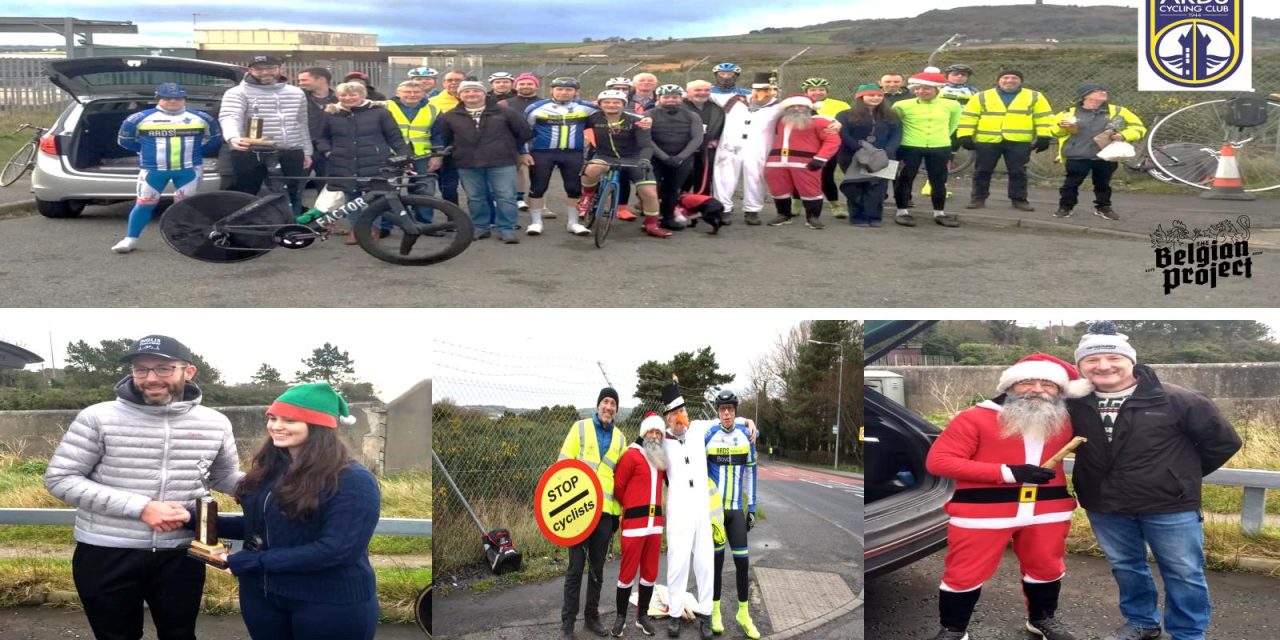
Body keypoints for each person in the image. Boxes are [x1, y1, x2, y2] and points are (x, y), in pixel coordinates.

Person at [44, 335, 242, 640]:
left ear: (188, 371)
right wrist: (141, 508)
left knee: (180, 634)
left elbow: (224, 476)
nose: (150, 378)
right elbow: (61, 479)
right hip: (106, 551)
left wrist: (280, 487)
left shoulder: (216, 422)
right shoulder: (97, 417)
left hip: (181, 552)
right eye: (141, 369)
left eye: (163, 369)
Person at [1066, 322, 1241, 640]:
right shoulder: (1074, 403)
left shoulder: (1178, 399)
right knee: (1126, 567)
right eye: (1091, 360)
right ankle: (1141, 622)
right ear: (1080, 366)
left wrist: (1177, 477)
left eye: (1112, 357)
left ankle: (1188, 632)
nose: (1103, 365)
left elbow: (1224, 443)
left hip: (1169, 503)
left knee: (1184, 572)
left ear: (1130, 360)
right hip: (1104, 503)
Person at [925, 354, 1090, 640]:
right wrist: (1009, 472)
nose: (1037, 389)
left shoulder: (1067, 421)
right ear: (1010, 386)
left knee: (1047, 568)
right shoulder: (973, 417)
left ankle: (1041, 619)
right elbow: (939, 461)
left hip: (1047, 511)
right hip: (983, 512)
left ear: (1060, 391)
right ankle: (953, 629)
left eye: (1048, 384)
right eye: (1027, 381)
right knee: (964, 573)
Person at [206, 383, 381, 640]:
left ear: (319, 425)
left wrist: (253, 562)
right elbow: (264, 525)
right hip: (262, 598)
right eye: (273, 418)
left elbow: (337, 549)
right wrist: (200, 521)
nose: (276, 426)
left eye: (289, 420)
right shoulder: (269, 471)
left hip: (328, 603)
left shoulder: (353, 479)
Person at [111, 83, 220, 253]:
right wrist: (146, 152)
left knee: (187, 206)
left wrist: (195, 152)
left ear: (184, 98)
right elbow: (125, 141)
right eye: (167, 98)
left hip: (189, 170)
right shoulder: (138, 118)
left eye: (178, 98)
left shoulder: (202, 117)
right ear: (158, 99)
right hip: (153, 170)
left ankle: (187, 238)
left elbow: (213, 140)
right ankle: (130, 239)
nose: (173, 101)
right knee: (144, 204)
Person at [558, 387, 628, 639]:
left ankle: (591, 617)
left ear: (617, 409)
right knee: (575, 568)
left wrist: (617, 515)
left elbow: (621, 481)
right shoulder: (579, 429)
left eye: (613, 404)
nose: (609, 407)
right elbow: (562, 466)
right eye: (605, 401)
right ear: (598, 404)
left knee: (597, 570)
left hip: (605, 515)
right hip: (577, 513)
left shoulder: (621, 439)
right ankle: (567, 624)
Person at [310, 81, 410, 245]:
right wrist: (328, 151)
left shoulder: (380, 113)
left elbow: (394, 136)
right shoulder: (330, 114)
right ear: (337, 96)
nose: (348, 98)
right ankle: (356, 230)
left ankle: (374, 229)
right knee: (351, 198)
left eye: (352, 94)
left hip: (376, 161)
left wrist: (404, 156)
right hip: (343, 162)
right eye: (343, 95)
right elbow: (321, 137)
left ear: (362, 95)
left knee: (376, 198)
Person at [437, 80, 533, 243]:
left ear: (484, 93)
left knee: (505, 196)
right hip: (467, 163)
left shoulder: (505, 112)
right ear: (460, 95)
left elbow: (523, 132)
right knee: (475, 197)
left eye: (476, 91)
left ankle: (507, 229)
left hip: (502, 162)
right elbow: (446, 139)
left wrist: (513, 149)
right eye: (466, 92)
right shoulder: (450, 116)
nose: (471, 94)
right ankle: (481, 227)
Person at [219, 54, 313, 214]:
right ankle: (244, 231)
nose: (264, 73)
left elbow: (301, 123)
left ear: (279, 69)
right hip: (250, 151)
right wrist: (232, 137)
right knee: (246, 194)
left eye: (270, 68)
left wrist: (307, 151)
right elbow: (230, 116)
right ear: (250, 70)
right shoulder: (236, 92)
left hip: (291, 151)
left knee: (291, 193)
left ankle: (284, 229)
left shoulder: (296, 92)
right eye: (259, 69)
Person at [955, 69, 1054, 211]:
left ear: (1021, 81)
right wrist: (964, 135)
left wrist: (1044, 136)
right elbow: (969, 116)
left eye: (1014, 78)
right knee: (982, 171)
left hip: (1018, 140)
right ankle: (978, 199)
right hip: (988, 140)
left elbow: (1044, 117)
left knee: (1018, 172)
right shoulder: (981, 96)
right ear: (998, 80)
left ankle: (1019, 200)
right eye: (1005, 78)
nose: (1010, 81)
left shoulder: (1034, 96)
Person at [704, 390, 760, 639]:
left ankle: (743, 614)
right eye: (722, 408)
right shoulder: (709, 435)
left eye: (731, 409)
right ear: (718, 412)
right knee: (715, 563)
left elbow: (752, 474)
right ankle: (715, 612)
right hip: (715, 512)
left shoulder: (746, 437)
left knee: (742, 562)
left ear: (735, 412)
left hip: (736, 510)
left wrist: (752, 509)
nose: (727, 412)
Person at [1049, 85, 1146, 221]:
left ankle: (1103, 208)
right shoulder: (1068, 112)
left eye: (1105, 91)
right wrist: (1062, 127)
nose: (1103, 93)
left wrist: (1123, 135)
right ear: (1085, 96)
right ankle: (1065, 207)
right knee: (1071, 183)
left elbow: (1139, 128)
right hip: (1077, 154)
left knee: (1103, 184)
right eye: (1098, 91)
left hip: (1107, 155)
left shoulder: (1118, 111)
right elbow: (1053, 131)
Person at [610, 414, 668, 637]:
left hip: (655, 527)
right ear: (644, 433)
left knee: (650, 573)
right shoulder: (631, 456)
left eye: (658, 433)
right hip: (634, 526)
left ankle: (642, 617)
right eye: (651, 432)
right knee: (626, 574)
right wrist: (633, 507)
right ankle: (621, 617)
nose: (654, 436)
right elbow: (619, 488)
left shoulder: (661, 459)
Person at [578, 89, 663, 237]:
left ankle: (651, 224)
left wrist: (644, 160)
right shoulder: (592, 118)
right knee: (592, 168)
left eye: (616, 102)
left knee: (649, 193)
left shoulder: (637, 120)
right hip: (605, 156)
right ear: (600, 104)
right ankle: (587, 196)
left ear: (624, 104)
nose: (611, 105)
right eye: (607, 102)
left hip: (634, 158)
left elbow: (646, 145)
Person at [523, 77, 599, 236]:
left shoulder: (587, 108)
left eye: (568, 90)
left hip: (573, 153)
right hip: (542, 153)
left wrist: (643, 120)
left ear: (576, 92)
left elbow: (613, 115)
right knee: (538, 188)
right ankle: (536, 223)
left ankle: (573, 223)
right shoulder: (536, 108)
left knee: (573, 188)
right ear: (552, 90)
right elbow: (524, 132)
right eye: (559, 89)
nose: (563, 92)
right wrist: (524, 153)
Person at [891, 70, 961, 227]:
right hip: (910, 146)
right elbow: (896, 125)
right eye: (917, 88)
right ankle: (902, 211)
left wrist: (940, 137)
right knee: (905, 178)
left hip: (940, 146)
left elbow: (952, 125)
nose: (921, 91)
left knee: (938, 180)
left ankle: (939, 213)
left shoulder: (952, 105)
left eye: (926, 88)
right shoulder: (901, 105)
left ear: (937, 89)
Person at [764, 94, 840, 229]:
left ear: (809, 107)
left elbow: (832, 141)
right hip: (776, 162)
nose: (796, 108)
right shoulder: (779, 121)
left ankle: (812, 217)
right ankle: (783, 214)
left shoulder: (820, 121)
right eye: (792, 106)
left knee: (811, 190)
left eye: (801, 106)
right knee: (778, 189)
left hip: (805, 163)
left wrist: (820, 158)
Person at [714, 72, 781, 225]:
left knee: (756, 177)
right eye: (757, 90)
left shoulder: (778, 106)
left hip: (758, 148)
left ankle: (752, 210)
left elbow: (805, 110)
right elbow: (700, 95)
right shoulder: (734, 100)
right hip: (730, 145)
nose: (761, 93)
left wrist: (832, 123)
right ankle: (723, 209)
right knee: (724, 176)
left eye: (766, 90)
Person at [838, 84, 901, 227]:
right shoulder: (845, 114)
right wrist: (859, 149)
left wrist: (888, 151)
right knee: (856, 186)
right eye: (871, 95)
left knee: (877, 188)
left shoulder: (891, 115)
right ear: (861, 97)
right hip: (853, 156)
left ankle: (874, 216)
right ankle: (857, 216)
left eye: (879, 95)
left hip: (882, 157)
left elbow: (897, 134)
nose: (876, 98)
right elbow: (843, 134)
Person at [647, 85, 704, 233]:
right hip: (656, 158)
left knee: (672, 189)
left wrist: (681, 157)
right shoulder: (649, 114)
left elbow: (697, 138)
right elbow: (646, 139)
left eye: (675, 97)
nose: (670, 100)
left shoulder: (692, 116)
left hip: (682, 158)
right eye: (666, 97)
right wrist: (664, 157)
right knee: (653, 188)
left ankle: (668, 217)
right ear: (658, 98)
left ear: (681, 98)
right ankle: (650, 217)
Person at [801, 77, 853, 219]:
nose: (817, 92)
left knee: (826, 176)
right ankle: (796, 202)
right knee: (800, 174)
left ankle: (835, 205)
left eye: (821, 90)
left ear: (827, 91)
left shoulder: (841, 104)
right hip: (804, 145)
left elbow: (848, 123)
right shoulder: (799, 104)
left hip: (829, 147)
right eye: (812, 90)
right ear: (806, 92)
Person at [501, 72, 543, 212]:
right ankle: (518, 198)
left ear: (536, 86)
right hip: (513, 141)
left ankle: (540, 203)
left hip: (539, 142)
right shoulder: (505, 103)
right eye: (522, 83)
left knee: (540, 173)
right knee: (517, 170)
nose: (526, 86)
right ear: (516, 86)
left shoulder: (544, 103)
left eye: (530, 83)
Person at [428, 70, 468, 204]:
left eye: (458, 80)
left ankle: (481, 220)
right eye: (450, 80)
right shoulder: (433, 102)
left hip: (471, 150)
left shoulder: (474, 97)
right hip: (446, 150)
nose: (454, 83)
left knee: (476, 188)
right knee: (448, 187)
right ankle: (453, 217)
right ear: (444, 83)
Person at [296, 67, 337, 195]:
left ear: (321, 79)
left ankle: (326, 215)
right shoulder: (298, 98)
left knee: (328, 190)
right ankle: (293, 214)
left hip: (329, 149)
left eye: (304, 80)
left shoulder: (340, 99)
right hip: (303, 148)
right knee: (296, 187)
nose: (300, 83)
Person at [683, 80, 725, 196]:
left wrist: (717, 138)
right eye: (698, 90)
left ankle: (701, 204)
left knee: (704, 180)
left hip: (708, 150)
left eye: (706, 90)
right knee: (683, 178)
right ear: (688, 92)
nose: (702, 93)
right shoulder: (679, 106)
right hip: (683, 149)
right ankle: (675, 205)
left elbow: (724, 126)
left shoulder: (717, 108)